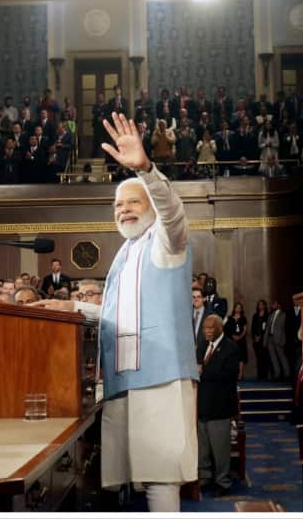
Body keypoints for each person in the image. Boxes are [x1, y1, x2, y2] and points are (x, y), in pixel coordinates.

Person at [98, 112, 199, 511]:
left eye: (132, 202)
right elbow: (119, 314)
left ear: (150, 207)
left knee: (160, 477)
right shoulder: (125, 253)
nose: (123, 210)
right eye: (118, 204)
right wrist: (68, 306)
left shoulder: (164, 242)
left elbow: (174, 214)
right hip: (124, 378)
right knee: (135, 478)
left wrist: (146, 170)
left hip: (160, 377)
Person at [195, 314, 240, 496]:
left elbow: (228, 375)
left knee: (220, 448)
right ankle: (205, 477)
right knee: (203, 446)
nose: (207, 332)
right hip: (203, 405)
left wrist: (203, 371)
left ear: (219, 329)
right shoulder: (204, 345)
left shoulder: (230, 348)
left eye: (210, 329)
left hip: (220, 407)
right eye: (205, 328)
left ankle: (223, 482)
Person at [223, 302, 248, 380]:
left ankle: (240, 375)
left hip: (241, 341)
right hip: (231, 341)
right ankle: (232, 374)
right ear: (234, 308)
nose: (238, 309)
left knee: (241, 358)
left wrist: (240, 336)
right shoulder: (229, 318)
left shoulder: (243, 318)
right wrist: (232, 336)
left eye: (240, 307)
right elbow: (225, 329)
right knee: (232, 358)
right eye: (237, 307)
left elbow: (245, 330)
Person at [251, 299, 270, 381]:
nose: (260, 306)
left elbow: (267, 329)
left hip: (264, 340)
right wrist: (255, 336)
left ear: (265, 306)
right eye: (259, 304)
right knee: (258, 358)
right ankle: (260, 375)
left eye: (262, 304)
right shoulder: (255, 316)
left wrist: (261, 337)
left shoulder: (268, 315)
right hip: (256, 340)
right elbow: (252, 327)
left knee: (265, 358)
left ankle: (265, 374)